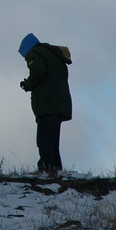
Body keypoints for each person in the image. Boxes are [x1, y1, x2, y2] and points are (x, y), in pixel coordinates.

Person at [18, 33, 72, 176]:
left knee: (44, 140)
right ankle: (56, 169)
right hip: (60, 103)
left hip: (47, 103)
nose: (25, 59)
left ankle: (46, 168)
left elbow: (39, 71)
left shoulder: (35, 52)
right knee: (53, 141)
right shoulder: (54, 55)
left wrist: (27, 85)